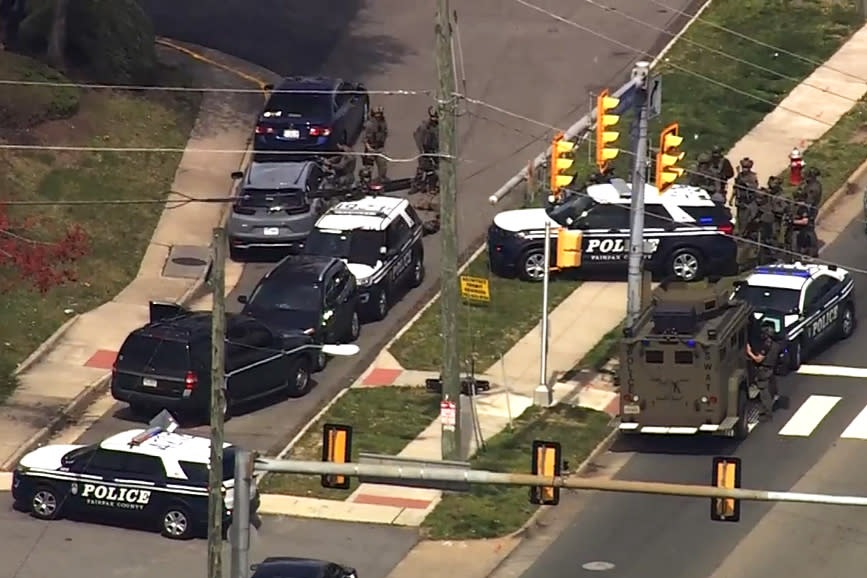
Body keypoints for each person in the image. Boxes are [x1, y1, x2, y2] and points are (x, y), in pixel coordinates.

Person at [746, 321, 781, 421]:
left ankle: (767, 413)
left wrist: (749, 353)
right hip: (770, 369)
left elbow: (758, 359)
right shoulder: (776, 345)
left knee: (764, 392)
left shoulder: (767, 345)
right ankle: (766, 409)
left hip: (764, 369)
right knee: (769, 390)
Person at [412, 106, 439, 194]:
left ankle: (432, 187)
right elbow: (417, 137)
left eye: (436, 117)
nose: (434, 119)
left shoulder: (438, 126)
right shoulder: (424, 127)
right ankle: (417, 186)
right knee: (422, 169)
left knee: (433, 171)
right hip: (425, 151)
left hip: (434, 151)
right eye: (433, 117)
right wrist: (422, 151)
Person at [731, 158, 759, 234]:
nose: (744, 169)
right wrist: (731, 198)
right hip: (740, 200)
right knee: (739, 218)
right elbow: (735, 187)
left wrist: (744, 182)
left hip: (748, 201)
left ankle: (743, 234)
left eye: (746, 168)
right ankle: (739, 232)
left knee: (746, 220)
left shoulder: (752, 176)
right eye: (743, 167)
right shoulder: (739, 175)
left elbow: (754, 187)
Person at [789, 189, 819, 259]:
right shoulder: (798, 206)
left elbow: (805, 221)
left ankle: (798, 258)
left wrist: (792, 221)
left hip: (802, 230)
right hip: (800, 229)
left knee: (797, 245)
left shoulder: (803, 208)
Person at [362, 106, 389, 182]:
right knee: (368, 168)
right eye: (377, 114)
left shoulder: (383, 123)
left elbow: (385, 134)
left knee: (383, 165)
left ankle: (382, 179)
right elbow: (364, 139)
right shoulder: (368, 125)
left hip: (380, 148)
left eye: (380, 114)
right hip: (370, 148)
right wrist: (369, 148)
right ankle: (366, 182)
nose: (379, 116)